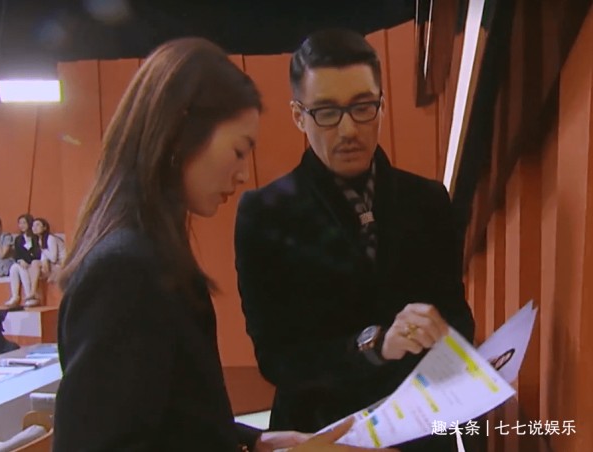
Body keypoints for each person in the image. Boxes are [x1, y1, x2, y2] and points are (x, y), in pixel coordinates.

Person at [53, 37, 385, 452]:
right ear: (181, 133)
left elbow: (174, 418)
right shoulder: (124, 270)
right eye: (238, 150)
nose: (244, 174)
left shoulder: (148, 255)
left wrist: (257, 441)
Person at [235, 29, 475, 450]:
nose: (348, 129)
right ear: (298, 116)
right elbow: (276, 358)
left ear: (382, 104)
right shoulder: (265, 213)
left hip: (417, 432)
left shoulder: (428, 200)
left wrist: (442, 334)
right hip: (318, 433)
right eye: (327, 112)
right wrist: (375, 344)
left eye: (363, 107)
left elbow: (458, 318)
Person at [5, 213, 41, 308]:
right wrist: (20, 260)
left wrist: (27, 261)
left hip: (34, 263)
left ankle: (30, 295)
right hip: (23, 264)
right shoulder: (18, 239)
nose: (21, 225)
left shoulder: (35, 237)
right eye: (20, 223)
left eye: (24, 223)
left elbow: (37, 253)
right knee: (14, 267)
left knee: (22, 268)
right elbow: (17, 254)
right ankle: (15, 296)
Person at [32, 217, 66, 283]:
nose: (34, 227)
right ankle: (32, 288)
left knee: (37, 265)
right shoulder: (39, 240)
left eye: (37, 225)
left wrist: (43, 250)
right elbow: (44, 256)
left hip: (60, 263)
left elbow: (53, 258)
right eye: (33, 226)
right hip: (52, 264)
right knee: (34, 263)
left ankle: (33, 288)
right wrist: (44, 261)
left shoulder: (50, 238)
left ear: (44, 227)